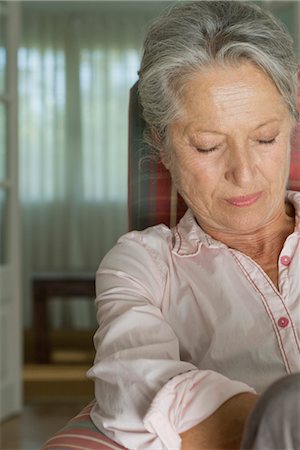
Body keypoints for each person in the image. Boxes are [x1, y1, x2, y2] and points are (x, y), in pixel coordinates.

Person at [87, 1, 300, 449]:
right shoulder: (142, 265)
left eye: (265, 138)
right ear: (162, 146)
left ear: (291, 128)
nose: (243, 173)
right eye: (207, 146)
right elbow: (132, 388)